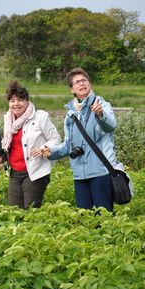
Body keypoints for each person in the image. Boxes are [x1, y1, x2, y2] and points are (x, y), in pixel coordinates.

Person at [47, 68, 118, 212]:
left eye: (84, 80)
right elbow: (68, 145)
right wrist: (50, 152)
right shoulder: (70, 114)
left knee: (103, 217)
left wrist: (100, 115)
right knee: (84, 217)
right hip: (79, 174)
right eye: (77, 82)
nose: (81, 84)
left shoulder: (102, 105)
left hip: (101, 171)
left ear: (90, 83)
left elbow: (111, 126)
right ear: (72, 90)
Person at [1, 81, 61, 209]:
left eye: (20, 100)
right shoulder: (8, 120)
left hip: (35, 171)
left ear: (27, 101)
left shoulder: (40, 117)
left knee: (31, 211)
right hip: (15, 173)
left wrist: (43, 148)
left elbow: (56, 139)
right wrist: (1, 157)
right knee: (14, 211)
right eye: (12, 100)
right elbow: (9, 146)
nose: (16, 104)